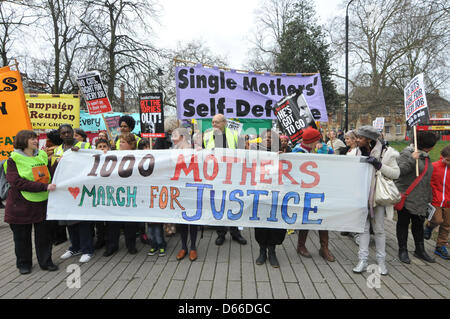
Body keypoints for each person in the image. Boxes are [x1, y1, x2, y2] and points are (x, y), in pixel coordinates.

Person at [4, 130, 58, 274]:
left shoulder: (42, 155)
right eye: (32, 139)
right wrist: (44, 187)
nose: (36, 141)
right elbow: (16, 182)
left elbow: (50, 174)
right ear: (23, 141)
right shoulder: (13, 159)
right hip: (20, 205)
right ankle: (24, 264)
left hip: (41, 203)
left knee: (44, 236)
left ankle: (46, 262)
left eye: (36, 138)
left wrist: (58, 162)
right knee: (21, 237)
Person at [352, 126, 400, 275]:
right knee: (363, 229)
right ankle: (363, 260)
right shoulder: (355, 152)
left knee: (379, 230)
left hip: (377, 197)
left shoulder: (387, 153)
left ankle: (381, 261)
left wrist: (379, 165)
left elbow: (396, 174)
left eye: (360, 137)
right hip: (360, 196)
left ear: (369, 139)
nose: (357, 140)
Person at [292, 127, 335, 262]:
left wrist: (325, 152)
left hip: (321, 188)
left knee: (323, 217)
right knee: (307, 217)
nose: (319, 141)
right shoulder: (298, 151)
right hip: (305, 190)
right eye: (317, 139)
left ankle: (324, 248)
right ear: (312, 141)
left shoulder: (321, 148)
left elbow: (334, 159)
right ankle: (301, 245)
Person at [203, 114, 247, 246]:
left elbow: (243, 153)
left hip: (232, 174)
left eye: (216, 122)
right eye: (212, 122)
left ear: (224, 123)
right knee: (219, 204)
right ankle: (221, 233)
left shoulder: (235, 134)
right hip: (215, 175)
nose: (214, 124)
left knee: (234, 203)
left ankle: (235, 233)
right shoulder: (207, 135)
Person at [395, 131, 438, 264]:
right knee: (403, 223)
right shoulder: (407, 153)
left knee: (418, 224)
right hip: (407, 197)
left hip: (421, 198)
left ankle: (420, 250)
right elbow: (399, 172)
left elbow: (425, 177)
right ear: (429, 145)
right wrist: (412, 159)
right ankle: (402, 250)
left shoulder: (425, 156)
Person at [55, 125, 94, 263]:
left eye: (68, 132)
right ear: (60, 135)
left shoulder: (85, 145)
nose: (66, 134)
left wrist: (81, 153)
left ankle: (87, 249)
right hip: (66, 190)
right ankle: (75, 247)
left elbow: (96, 160)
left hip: (82, 187)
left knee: (82, 220)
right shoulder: (57, 149)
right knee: (69, 219)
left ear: (73, 133)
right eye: (63, 132)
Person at [104, 133, 140, 256]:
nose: (120, 144)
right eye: (120, 141)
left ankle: (131, 245)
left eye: (123, 142)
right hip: (115, 193)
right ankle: (112, 245)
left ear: (131, 145)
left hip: (130, 193)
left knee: (130, 223)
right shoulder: (112, 155)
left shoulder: (138, 156)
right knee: (113, 222)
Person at [254, 130, 286, 268]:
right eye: (265, 138)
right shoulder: (255, 153)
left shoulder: (284, 152)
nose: (267, 140)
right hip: (260, 193)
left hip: (277, 195)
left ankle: (272, 251)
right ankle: (262, 251)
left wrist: (284, 158)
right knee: (261, 223)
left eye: (270, 138)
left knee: (275, 224)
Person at [172, 128, 199, 261]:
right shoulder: (172, 151)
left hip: (192, 188)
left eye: (175, 136)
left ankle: (193, 247)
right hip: (179, 189)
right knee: (182, 219)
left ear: (182, 137)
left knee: (192, 219)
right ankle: (183, 247)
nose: (172, 138)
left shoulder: (195, 148)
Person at [424, 144, 450, 260]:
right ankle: (429, 226)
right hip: (435, 200)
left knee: (446, 225)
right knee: (437, 220)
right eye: (448, 160)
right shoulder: (434, 166)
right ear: (442, 157)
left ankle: (440, 246)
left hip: (448, 202)